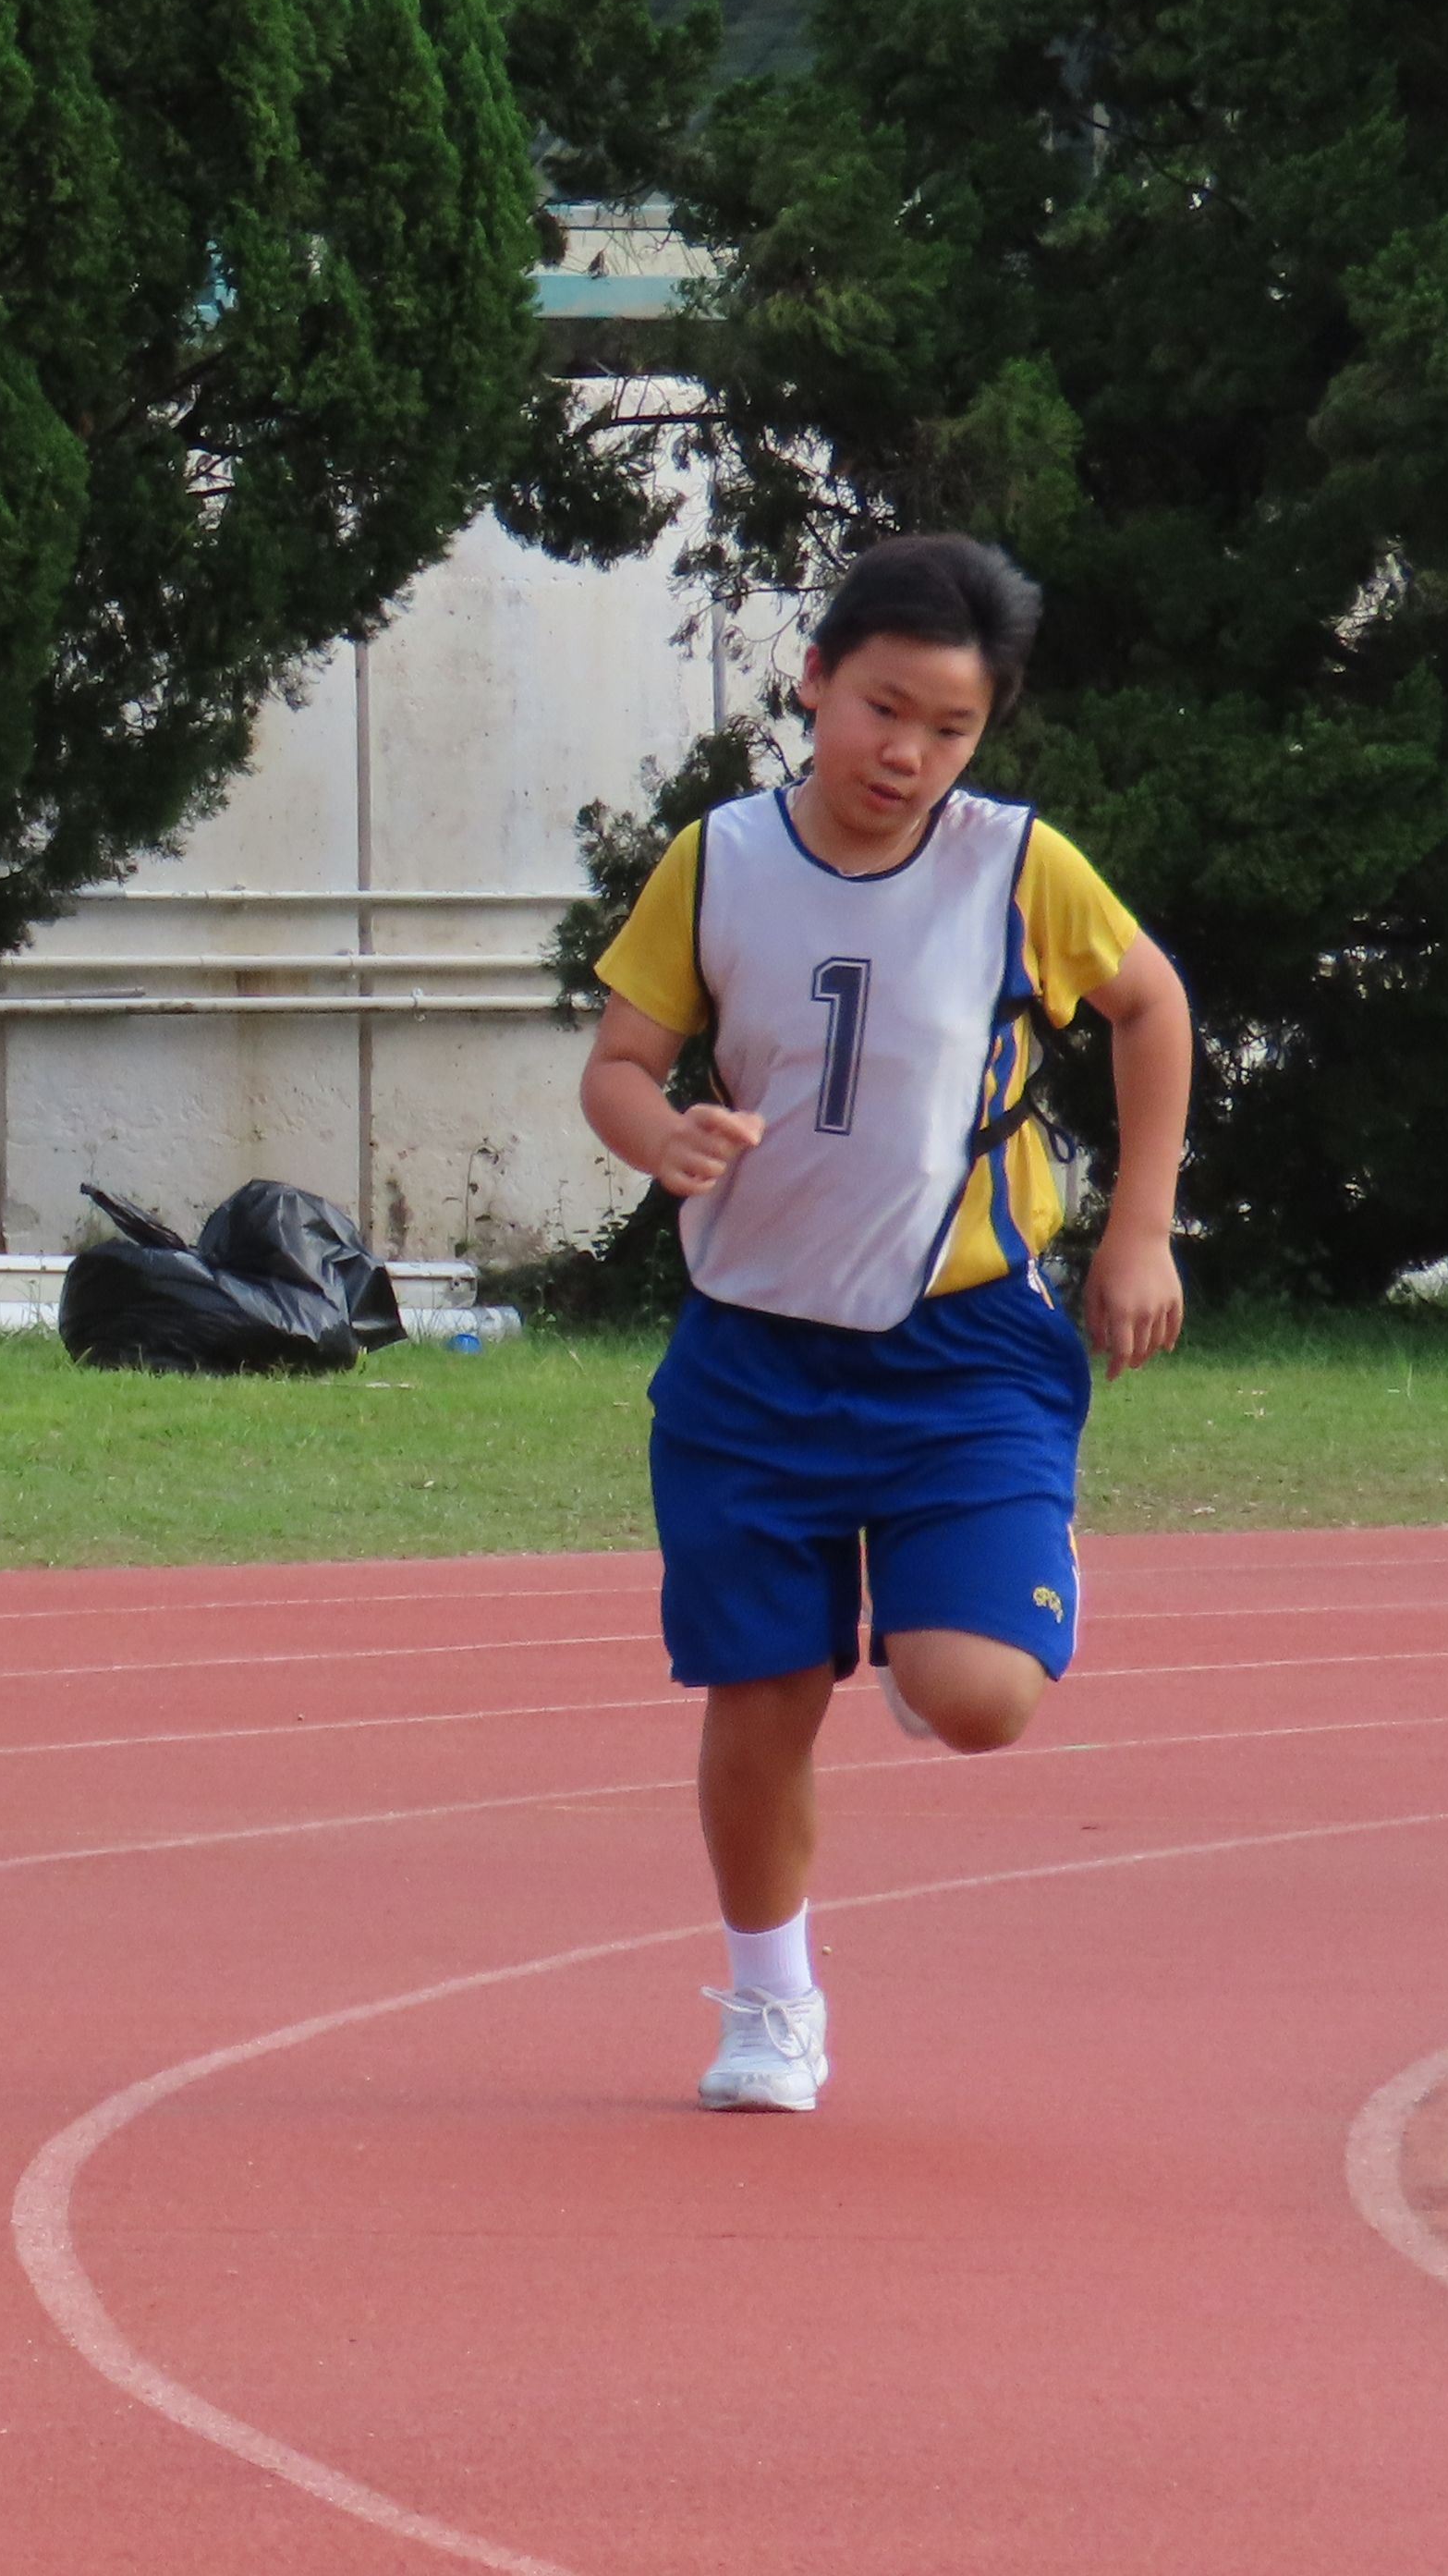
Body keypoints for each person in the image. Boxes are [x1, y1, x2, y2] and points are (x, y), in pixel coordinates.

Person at [578, 532, 1193, 2118]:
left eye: (950, 728)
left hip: (963, 1345)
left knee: (976, 1699)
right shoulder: (718, 860)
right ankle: (771, 2003)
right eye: (882, 710)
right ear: (815, 684)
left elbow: (1153, 1006)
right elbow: (620, 1064)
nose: (907, 755)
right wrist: (662, 1135)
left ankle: (953, 1616)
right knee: (763, 1691)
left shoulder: (1018, 867)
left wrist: (1139, 1230)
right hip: (754, 1349)